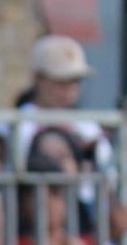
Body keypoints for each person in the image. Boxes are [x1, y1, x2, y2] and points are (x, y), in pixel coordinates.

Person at [15, 35, 113, 175]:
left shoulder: (87, 126)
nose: (70, 91)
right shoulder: (19, 125)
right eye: (61, 81)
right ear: (38, 79)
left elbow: (108, 173)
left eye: (75, 81)